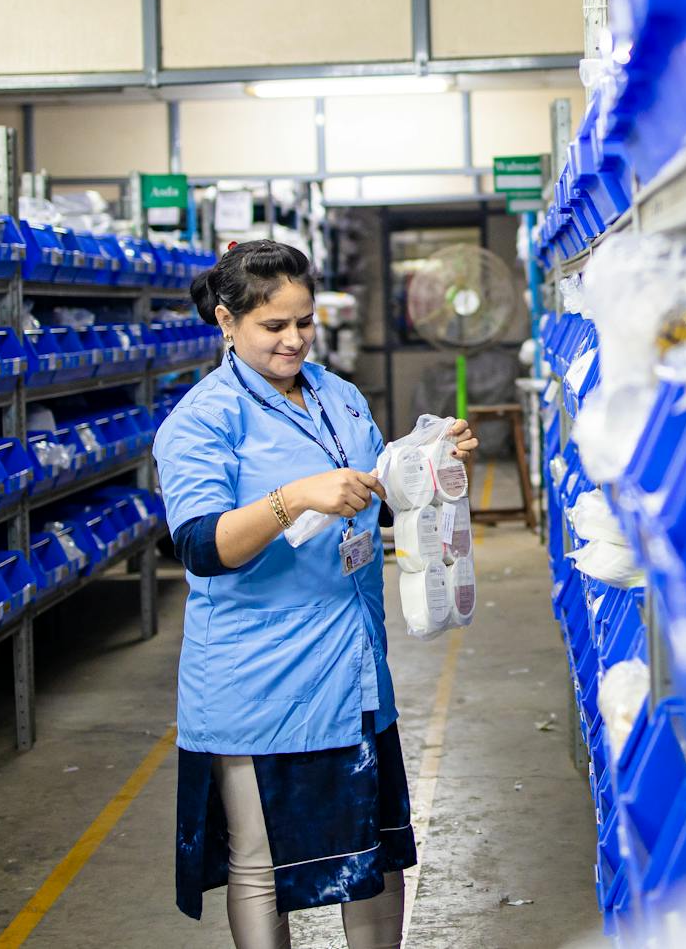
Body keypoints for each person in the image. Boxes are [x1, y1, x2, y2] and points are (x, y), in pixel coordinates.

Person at [154, 239, 477, 949]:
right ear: (226, 321)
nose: (295, 339)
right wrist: (292, 497)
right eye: (274, 326)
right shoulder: (202, 420)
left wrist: (427, 464)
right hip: (260, 679)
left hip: (353, 664)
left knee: (376, 852)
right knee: (262, 862)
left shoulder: (338, 394)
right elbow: (203, 547)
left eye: (305, 322)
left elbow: (372, 503)